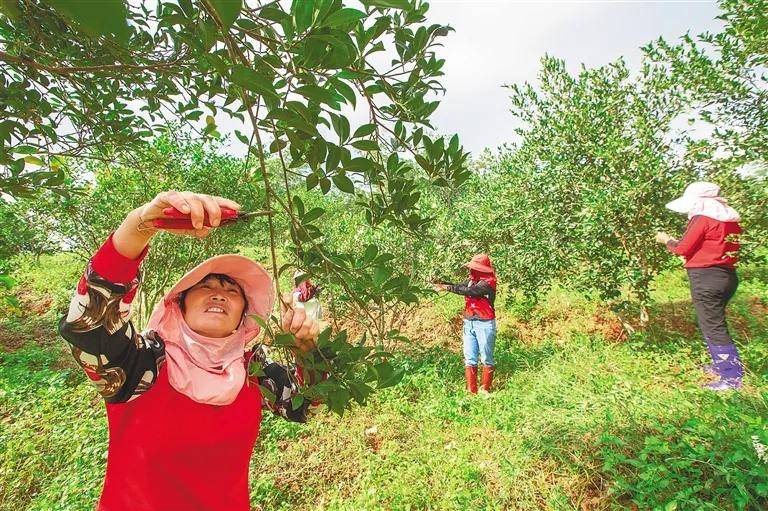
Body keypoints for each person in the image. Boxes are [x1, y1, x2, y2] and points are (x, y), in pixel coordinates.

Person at [58, 191, 322, 511]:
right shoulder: (142, 364)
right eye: (206, 286)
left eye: (231, 291)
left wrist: (308, 349)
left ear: (243, 316)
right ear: (179, 305)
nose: (219, 295)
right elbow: (90, 327)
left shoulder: (253, 371)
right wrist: (140, 225)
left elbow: (304, 404)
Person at [655, 181, 744, 391]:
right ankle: (721, 366)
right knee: (714, 322)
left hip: (706, 279)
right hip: (726, 276)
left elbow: (682, 248)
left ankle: (731, 378)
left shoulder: (702, 219)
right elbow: (711, 247)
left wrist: (667, 240)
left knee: (713, 326)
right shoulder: (730, 221)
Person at [434, 254, 497, 394]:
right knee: (470, 357)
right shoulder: (472, 280)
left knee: (486, 357)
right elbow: (458, 286)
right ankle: (471, 391)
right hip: (469, 322)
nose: (472, 270)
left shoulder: (489, 282)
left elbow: (470, 292)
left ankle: (485, 390)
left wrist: (445, 287)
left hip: (485, 323)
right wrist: (441, 283)